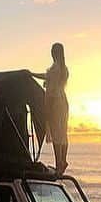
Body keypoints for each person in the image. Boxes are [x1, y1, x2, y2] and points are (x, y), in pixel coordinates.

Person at [33, 42, 70, 175]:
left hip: (56, 102)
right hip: (63, 101)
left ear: (55, 53)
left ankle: (59, 163)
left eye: (52, 51)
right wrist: (33, 74)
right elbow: (48, 77)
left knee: (56, 133)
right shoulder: (64, 68)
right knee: (62, 133)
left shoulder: (55, 68)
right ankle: (62, 161)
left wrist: (48, 107)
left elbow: (51, 89)